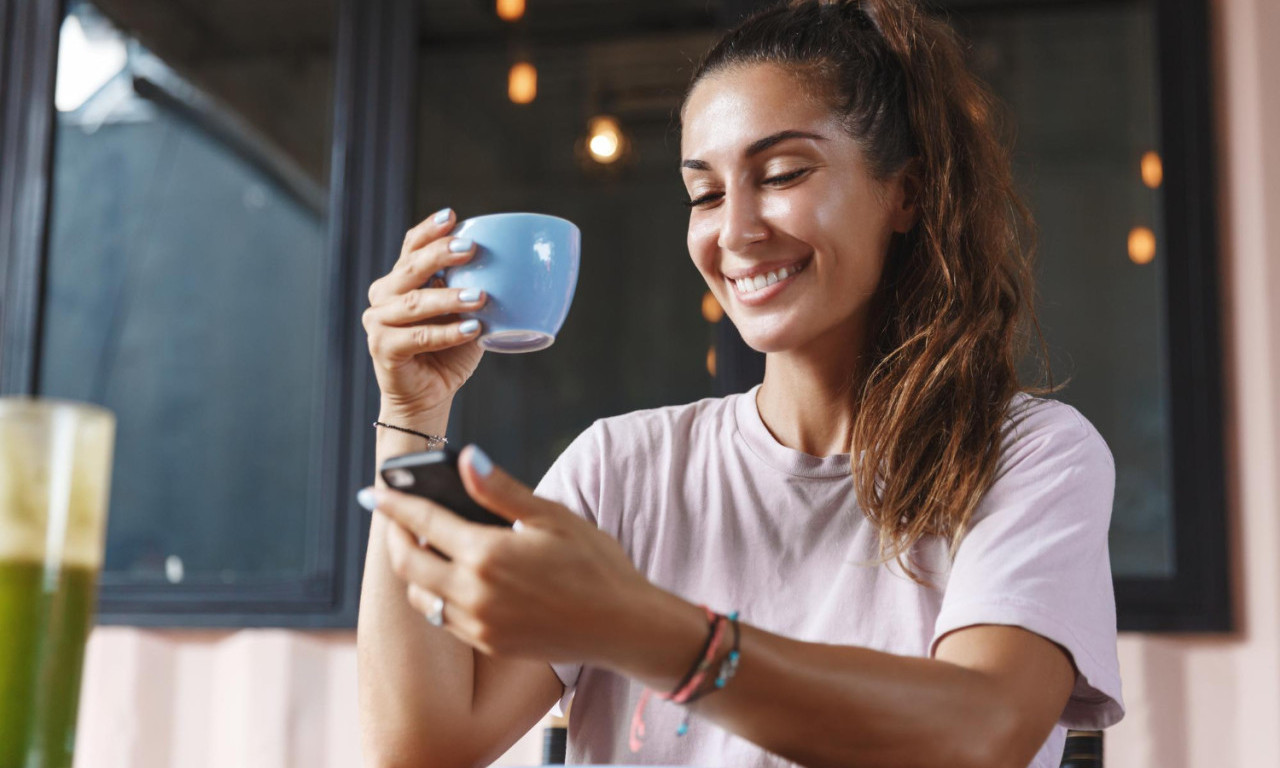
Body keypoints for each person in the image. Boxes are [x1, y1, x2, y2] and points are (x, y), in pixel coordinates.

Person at [355, 1, 1125, 766]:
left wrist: (639, 627)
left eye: (782, 173)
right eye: (706, 194)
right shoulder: (621, 469)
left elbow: (978, 734)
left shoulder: (1028, 458)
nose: (735, 231)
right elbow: (423, 745)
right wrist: (411, 413)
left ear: (907, 193)